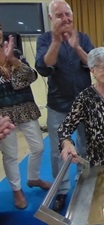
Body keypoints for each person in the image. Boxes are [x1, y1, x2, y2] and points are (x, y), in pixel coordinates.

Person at [35, 0, 94, 212]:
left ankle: (84, 183)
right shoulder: (44, 39)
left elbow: (92, 64)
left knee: (86, 145)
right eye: (59, 15)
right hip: (58, 106)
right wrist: (57, 41)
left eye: (67, 14)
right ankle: (61, 191)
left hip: (84, 105)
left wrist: (76, 46)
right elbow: (44, 67)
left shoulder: (84, 38)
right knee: (58, 150)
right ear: (51, 18)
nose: (65, 19)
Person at [0, 30, 51, 209]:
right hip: (3, 113)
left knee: (38, 146)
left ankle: (33, 178)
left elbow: (32, 76)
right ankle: (16, 190)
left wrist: (13, 60)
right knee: (10, 155)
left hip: (25, 107)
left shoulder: (16, 53)